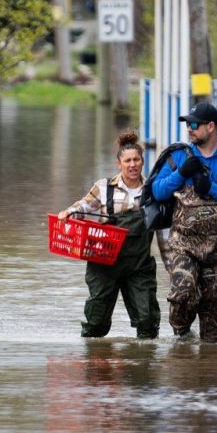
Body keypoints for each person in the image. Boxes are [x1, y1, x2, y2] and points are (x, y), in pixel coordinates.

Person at [150, 102, 217, 342]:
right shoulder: (178, 156)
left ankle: (210, 370)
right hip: (184, 245)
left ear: (211, 126)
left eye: (194, 124)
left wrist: (212, 188)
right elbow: (156, 191)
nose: (189, 129)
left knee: (215, 322)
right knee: (182, 293)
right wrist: (181, 174)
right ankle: (182, 335)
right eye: (187, 124)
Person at [58, 130, 161, 339]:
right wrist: (68, 212)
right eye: (127, 161)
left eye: (136, 160)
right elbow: (84, 205)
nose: (132, 164)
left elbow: (164, 232)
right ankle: (94, 363)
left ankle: (144, 365)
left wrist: (173, 266)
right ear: (119, 164)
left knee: (147, 322)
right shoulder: (104, 187)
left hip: (138, 266)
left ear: (142, 162)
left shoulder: (153, 190)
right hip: (104, 263)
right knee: (95, 324)